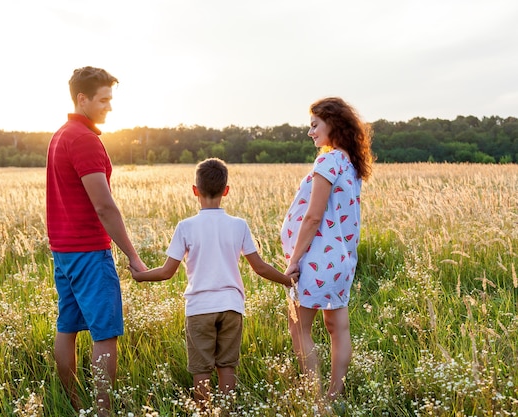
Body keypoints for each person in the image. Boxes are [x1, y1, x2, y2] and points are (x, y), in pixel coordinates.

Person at [129, 158, 298, 407]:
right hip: (231, 307)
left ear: (195, 191)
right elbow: (259, 267)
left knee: (201, 369)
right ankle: (226, 412)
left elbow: (167, 272)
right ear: (226, 190)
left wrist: (139, 275)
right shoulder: (239, 225)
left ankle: (205, 411)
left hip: (199, 309)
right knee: (227, 365)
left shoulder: (185, 227)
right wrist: (287, 280)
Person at [46, 66, 147, 416]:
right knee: (105, 333)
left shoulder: (61, 134)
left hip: (63, 250)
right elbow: (104, 206)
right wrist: (133, 256)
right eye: (103, 100)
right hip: (89, 249)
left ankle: (73, 404)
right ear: (82, 99)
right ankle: (103, 411)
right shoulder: (85, 140)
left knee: (68, 326)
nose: (109, 107)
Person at [280, 97, 374, 402]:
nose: (310, 132)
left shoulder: (328, 160)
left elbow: (313, 216)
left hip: (317, 260)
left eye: (314, 125)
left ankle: (315, 396)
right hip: (343, 259)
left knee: (299, 327)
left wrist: (294, 260)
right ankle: (335, 394)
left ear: (332, 123)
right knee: (337, 327)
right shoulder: (352, 164)